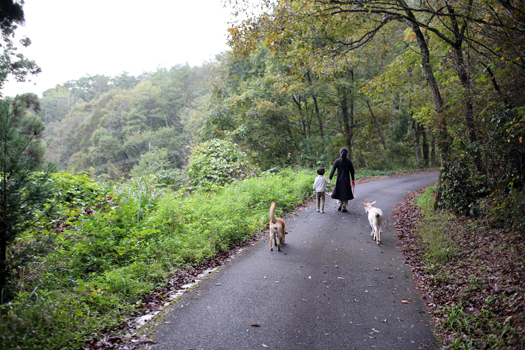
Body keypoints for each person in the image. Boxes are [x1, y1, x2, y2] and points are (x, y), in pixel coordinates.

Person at [329, 147, 355, 212]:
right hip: (346, 180)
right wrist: (352, 180)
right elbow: (352, 171)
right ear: (346, 153)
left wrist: (330, 178)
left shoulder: (337, 161)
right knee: (346, 192)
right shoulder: (349, 161)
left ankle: (339, 202)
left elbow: (333, 170)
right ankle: (344, 205)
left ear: (340, 153)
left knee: (338, 191)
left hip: (339, 180)